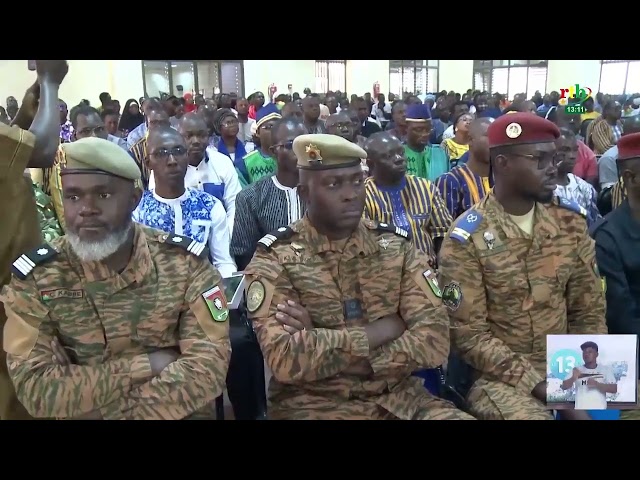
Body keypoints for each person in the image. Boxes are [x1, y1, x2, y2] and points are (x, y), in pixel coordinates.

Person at [243, 133, 475, 420]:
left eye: (356, 180)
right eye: (333, 184)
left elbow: (435, 340)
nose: (351, 193)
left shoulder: (396, 248)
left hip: (401, 399)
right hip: (315, 404)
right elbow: (287, 359)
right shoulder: (277, 258)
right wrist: (386, 329)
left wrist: (325, 340)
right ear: (304, 193)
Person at [1, 137, 230, 420]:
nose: (86, 209)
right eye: (73, 196)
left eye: (103, 195)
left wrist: (89, 406)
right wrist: (149, 364)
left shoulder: (186, 265)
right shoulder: (37, 278)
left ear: (134, 199)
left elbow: (207, 372)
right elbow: (37, 391)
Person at [438, 112, 607, 420]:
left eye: (553, 159)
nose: (553, 170)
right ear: (503, 163)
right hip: (503, 377)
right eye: (540, 160)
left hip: (571, 361)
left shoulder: (569, 222)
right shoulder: (466, 237)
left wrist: (584, 375)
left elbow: (589, 309)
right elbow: (469, 336)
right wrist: (553, 393)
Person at [0, 60, 69, 420]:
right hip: (9, 302)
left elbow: (7, 161)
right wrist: (50, 80)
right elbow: (41, 151)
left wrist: (23, 121)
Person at [133, 126, 237, 278]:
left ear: (187, 156)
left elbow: (223, 262)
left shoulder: (210, 206)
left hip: (202, 291)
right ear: (149, 163)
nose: (172, 160)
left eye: (178, 151)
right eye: (161, 153)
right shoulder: (137, 210)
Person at [560, 341, 617, 410]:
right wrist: (573, 378)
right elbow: (564, 387)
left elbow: (614, 389)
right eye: (584, 352)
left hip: (600, 411)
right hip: (580, 411)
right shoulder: (576, 370)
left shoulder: (605, 370)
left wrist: (597, 384)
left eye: (590, 352)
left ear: (596, 354)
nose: (586, 354)